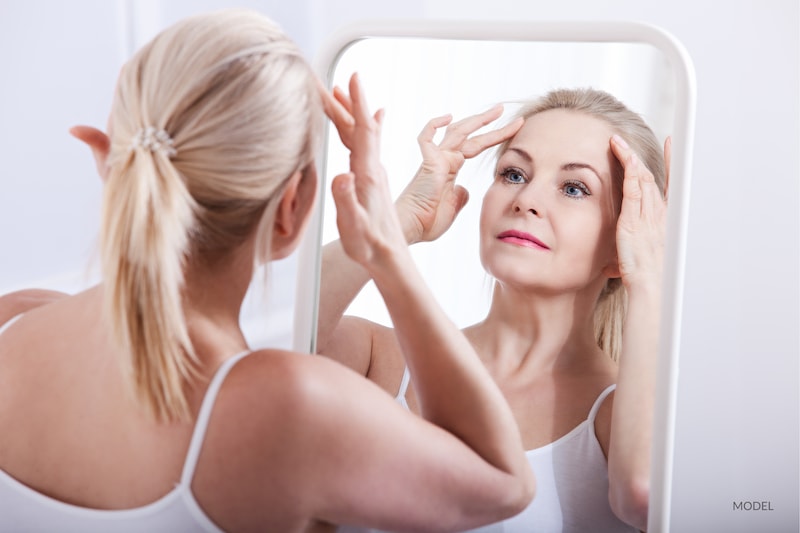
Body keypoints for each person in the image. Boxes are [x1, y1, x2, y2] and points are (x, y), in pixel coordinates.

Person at [0, 9, 536, 532]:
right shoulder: (288, 407)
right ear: (294, 208)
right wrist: (386, 250)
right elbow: (503, 484)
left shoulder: (14, 318)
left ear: (103, 158)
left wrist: (399, 223)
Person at [318, 87, 669, 532]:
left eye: (574, 188)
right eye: (514, 174)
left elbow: (643, 496)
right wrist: (394, 224)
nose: (525, 200)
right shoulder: (379, 358)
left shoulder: (618, 417)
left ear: (624, 241)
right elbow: (258, 354)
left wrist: (652, 277)